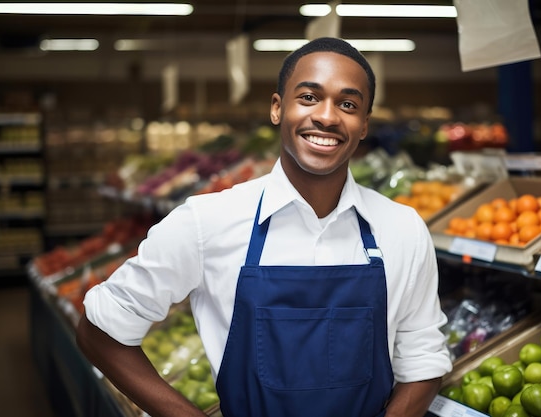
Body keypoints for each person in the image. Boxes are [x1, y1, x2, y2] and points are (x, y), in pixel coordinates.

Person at [76, 37, 452, 417]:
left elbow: (424, 359)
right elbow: (100, 331)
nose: (326, 116)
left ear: (365, 124)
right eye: (308, 97)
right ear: (277, 108)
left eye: (348, 104)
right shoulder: (207, 221)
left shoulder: (402, 228)